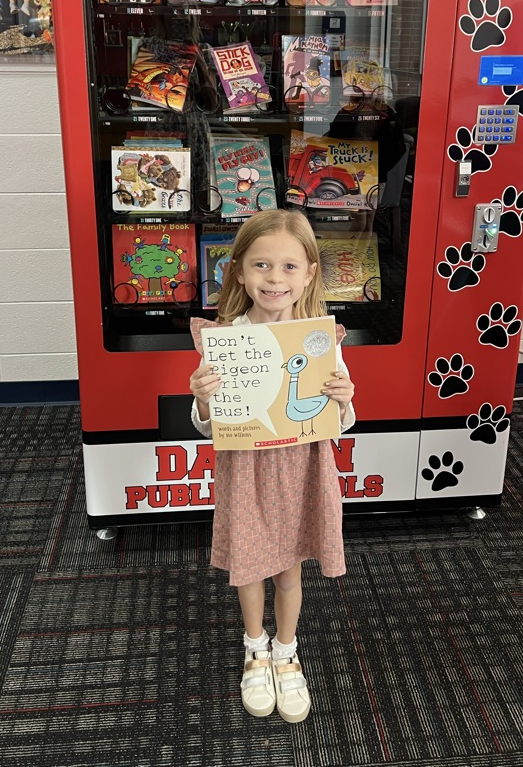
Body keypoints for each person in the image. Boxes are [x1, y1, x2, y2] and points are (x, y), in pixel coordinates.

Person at [189, 209, 355, 723]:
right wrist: (202, 400)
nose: (274, 278)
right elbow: (204, 427)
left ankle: (286, 652)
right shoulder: (227, 339)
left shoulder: (320, 340)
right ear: (239, 272)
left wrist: (346, 399)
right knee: (250, 564)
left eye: (288, 267)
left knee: (288, 568)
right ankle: (255, 647)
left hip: (301, 470)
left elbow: (341, 422)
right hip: (248, 472)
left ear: (308, 273)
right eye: (262, 265)